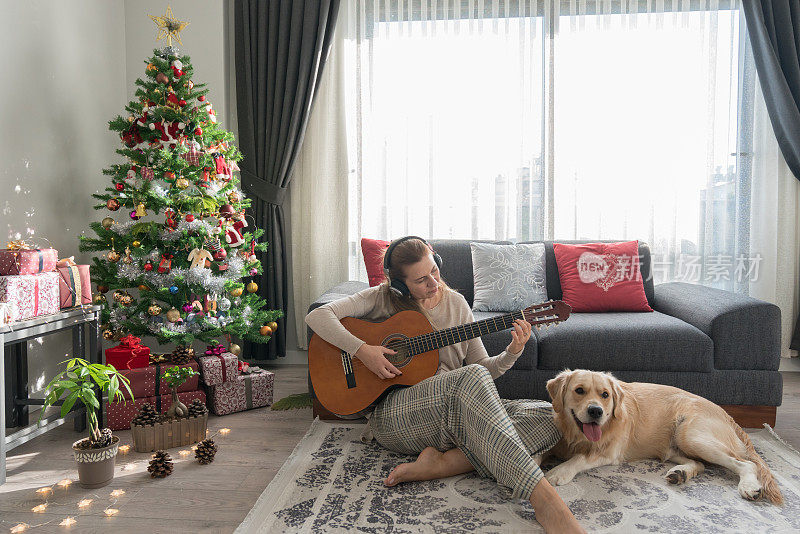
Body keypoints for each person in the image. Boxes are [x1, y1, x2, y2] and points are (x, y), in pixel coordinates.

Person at [305, 236, 585, 533]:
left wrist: (511, 352)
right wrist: (363, 350)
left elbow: (485, 369)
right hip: (395, 416)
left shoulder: (456, 304)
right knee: (471, 377)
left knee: (551, 416)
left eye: (434, 271)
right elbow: (318, 315)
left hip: (453, 411)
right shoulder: (382, 297)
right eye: (421, 280)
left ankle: (446, 463)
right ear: (401, 285)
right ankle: (544, 500)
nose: (433, 283)